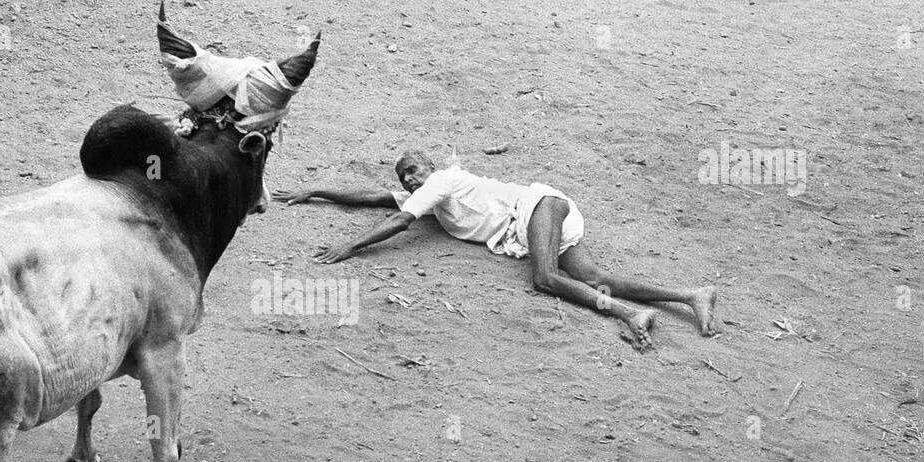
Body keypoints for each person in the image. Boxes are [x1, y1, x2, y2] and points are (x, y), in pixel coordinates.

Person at [285, 149, 718, 349]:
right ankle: (690, 296)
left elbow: (399, 220)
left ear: (431, 168)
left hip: (538, 207)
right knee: (594, 279)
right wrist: (316, 190)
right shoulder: (433, 199)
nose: (409, 182)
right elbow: (377, 199)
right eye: (405, 180)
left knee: (545, 280)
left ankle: (629, 314)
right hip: (541, 218)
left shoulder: (442, 181)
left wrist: (347, 248)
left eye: (413, 172)